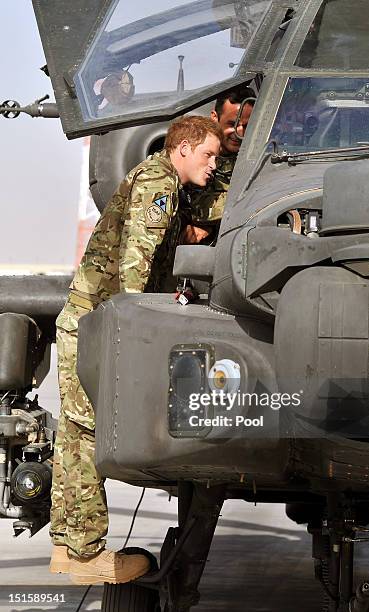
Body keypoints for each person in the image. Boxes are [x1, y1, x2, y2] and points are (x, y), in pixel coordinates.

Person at [49, 115, 222, 586]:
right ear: (182, 148)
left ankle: (68, 546)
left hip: (86, 316)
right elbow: (134, 262)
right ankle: (88, 554)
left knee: (74, 430)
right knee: (87, 429)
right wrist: (135, 328)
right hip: (101, 321)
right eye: (208, 154)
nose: (212, 164)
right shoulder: (158, 183)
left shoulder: (159, 178)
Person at [183, 85, 256, 245]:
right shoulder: (192, 152)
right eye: (232, 124)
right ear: (214, 118)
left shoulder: (255, 159)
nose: (239, 133)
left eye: (246, 126)